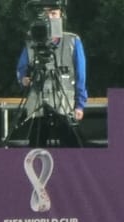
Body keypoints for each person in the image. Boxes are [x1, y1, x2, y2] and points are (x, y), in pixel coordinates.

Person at [14, 1, 87, 146]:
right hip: (38, 105)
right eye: (46, 13)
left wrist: (80, 105)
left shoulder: (72, 41)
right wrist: (23, 79)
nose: (49, 17)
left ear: (61, 16)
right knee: (35, 147)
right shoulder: (31, 42)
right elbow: (21, 69)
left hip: (64, 105)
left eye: (53, 13)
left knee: (72, 145)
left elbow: (81, 75)